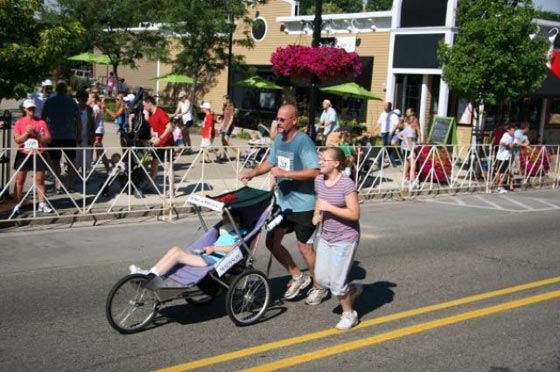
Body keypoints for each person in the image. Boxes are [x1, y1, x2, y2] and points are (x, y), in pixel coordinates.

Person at [239, 104, 325, 304]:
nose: (278, 122)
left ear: (294, 120)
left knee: (304, 248)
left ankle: (318, 286)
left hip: (305, 205)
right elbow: (270, 163)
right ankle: (297, 275)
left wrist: (286, 173)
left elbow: (314, 171)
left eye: (282, 119)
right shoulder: (278, 139)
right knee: (272, 243)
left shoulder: (303, 142)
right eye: (277, 119)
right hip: (283, 204)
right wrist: (252, 173)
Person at [313, 146, 362, 329]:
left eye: (324, 160)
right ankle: (353, 289)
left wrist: (329, 207)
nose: (320, 163)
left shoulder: (346, 184)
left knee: (337, 283)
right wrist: (317, 214)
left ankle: (349, 314)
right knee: (322, 279)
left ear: (336, 164)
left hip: (346, 238)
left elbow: (354, 214)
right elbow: (319, 201)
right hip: (326, 236)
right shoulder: (319, 180)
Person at [128, 213, 246, 277]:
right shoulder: (226, 232)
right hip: (207, 255)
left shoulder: (239, 233)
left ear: (234, 220)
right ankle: (150, 272)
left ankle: (151, 277)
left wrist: (214, 248)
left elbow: (235, 248)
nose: (224, 221)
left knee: (178, 255)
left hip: (213, 260)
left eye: (226, 218)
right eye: (223, 218)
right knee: (176, 249)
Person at [12, 99, 53, 214]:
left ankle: (42, 204)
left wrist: (35, 134)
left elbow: (48, 139)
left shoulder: (41, 122)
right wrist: (26, 133)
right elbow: (17, 140)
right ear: (24, 109)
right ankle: (16, 204)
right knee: (20, 179)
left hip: (38, 152)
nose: (32, 110)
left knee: (40, 179)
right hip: (24, 153)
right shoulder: (19, 122)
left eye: (33, 108)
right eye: (29, 108)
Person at [41, 80, 81, 194]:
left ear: (56, 90)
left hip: (54, 135)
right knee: (71, 161)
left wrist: (44, 134)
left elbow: (43, 119)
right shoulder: (72, 102)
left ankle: (57, 185)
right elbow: (78, 120)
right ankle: (71, 184)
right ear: (65, 90)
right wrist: (79, 134)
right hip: (69, 135)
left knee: (55, 161)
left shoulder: (49, 101)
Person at [142, 95, 175, 197]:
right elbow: (153, 129)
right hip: (158, 144)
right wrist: (152, 138)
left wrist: (160, 138)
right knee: (154, 163)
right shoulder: (151, 115)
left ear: (149, 104)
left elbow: (169, 127)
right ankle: (151, 184)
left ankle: (171, 190)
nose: (144, 108)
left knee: (167, 166)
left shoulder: (160, 112)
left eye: (144, 106)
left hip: (167, 143)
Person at [74, 90, 95, 174]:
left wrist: (92, 137)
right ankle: (74, 175)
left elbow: (93, 124)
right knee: (76, 156)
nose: (84, 102)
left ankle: (84, 175)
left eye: (86, 100)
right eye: (83, 100)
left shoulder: (89, 110)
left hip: (87, 137)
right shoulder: (74, 109)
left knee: (86, 156)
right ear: (78, 99)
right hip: (76, 137)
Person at [89, 93, 110, 172]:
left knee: (98, 146)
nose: (89, 99)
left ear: (94, 99)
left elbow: (94, 118)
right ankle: (95, 160)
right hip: (97, 129)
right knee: (96, 147)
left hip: (97, 130)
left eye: (90, 97)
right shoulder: (95, 107)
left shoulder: (95, 108)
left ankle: (106, 166)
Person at [376, 102, 400, 166]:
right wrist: (375, 129)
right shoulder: (382, 114)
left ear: (390, 107)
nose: (385, 107)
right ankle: (393, 162)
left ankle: (379, 162)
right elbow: (379, 122)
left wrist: (392, 131)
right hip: (383, 132)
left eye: (386, 106)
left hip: (389, 132)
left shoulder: (393, 114)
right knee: (388, 147)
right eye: (384, 106)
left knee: (385, 146)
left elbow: (396, 124)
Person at [494, 124, 516, 193]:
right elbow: (501, 142)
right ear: (508, 130)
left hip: (507, 156)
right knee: (501, 172)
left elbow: (515, 143)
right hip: (502, 156)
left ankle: (499, 186)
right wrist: (508, 145)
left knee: (503, 172)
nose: (513, 132)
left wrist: (513, 144)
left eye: (514, 130)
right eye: (512, 130)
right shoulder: (506, 135)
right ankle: (499, 187)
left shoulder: (513, 136)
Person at [217, 95, 236, 162]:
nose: (223, 101)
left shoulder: (231, 107)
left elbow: (231, 118)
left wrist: (228, 126)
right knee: (223, 140)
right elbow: (224, 118)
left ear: (228, 100)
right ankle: (225, 156)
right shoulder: (224, 107)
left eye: (224, 100)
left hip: (229, 126)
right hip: (224, 125)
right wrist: (220, 126)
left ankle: (237, 151)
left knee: (226, 140)